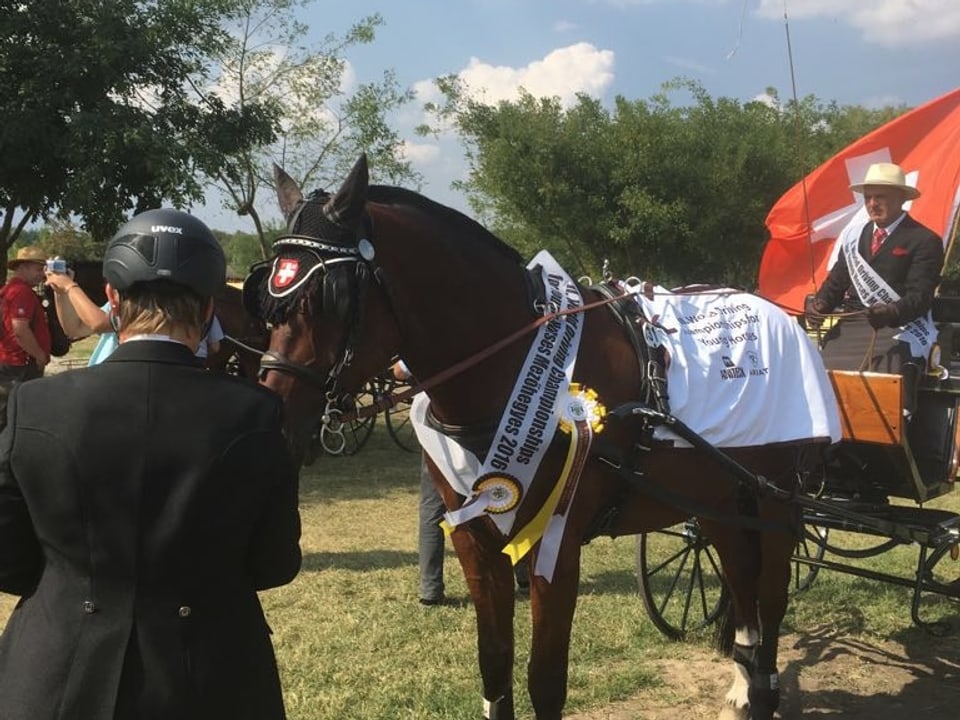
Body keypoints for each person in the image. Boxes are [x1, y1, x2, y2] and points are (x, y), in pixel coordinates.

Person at [0, 209, 301, 720]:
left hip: (53, 673)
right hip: (214, 677)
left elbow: (9, 559)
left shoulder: (36, 405)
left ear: (114, 300)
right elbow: (274, 563)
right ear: (209, 309)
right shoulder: (256, 413)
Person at [804, 161, 944, 416]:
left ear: (901, 198)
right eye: (868, 197)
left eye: (880, 196)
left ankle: (891, 438)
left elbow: (920, 296)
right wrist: (821, 303)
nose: (872, 204)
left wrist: (892, 312)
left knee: (890, 366)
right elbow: (837, 280)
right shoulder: (854, 236)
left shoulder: (925, 241)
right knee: (818, 367)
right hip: (853, 324)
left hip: (901, 326)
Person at [391, 361, 529, 606]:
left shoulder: (428, 334)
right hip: (487, 421)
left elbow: (401, 372)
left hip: (441, 430)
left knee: (433, 508)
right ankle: (524, 575)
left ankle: (430, 588)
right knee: (502, 496)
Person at [0, 247, 52, 421]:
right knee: (19, 415)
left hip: (10, 362)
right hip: (20, 365)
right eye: (38, 269)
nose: (42, 274)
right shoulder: (22, 292)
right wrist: (39, 356)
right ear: (22, 268)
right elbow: (20, 329)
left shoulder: (9, 290)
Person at [44, 269, 117, 365]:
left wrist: (69, 286)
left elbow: (99, 323)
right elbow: (75, 329)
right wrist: (60, 291)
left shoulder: (139, 305)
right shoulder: (112, 305)